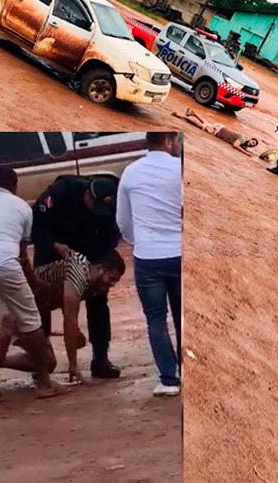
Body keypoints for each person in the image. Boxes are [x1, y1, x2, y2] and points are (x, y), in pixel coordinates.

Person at [0, 166, 64, 403]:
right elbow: (22, 255)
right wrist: (35, 282)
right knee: (32, 323)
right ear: (14, 184)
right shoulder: (21, 206)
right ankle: (44, 383)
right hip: (5, 265)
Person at [32, 175, 122, 378]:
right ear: (87, 194)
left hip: (89, 247)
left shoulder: (108, 209)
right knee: (41, 300)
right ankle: (41, 361)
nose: (95, 212)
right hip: (53, 246)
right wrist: (54, 244)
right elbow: (38, 221)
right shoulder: (62, 191)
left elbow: (110, 239)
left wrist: (101, 267)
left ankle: (100, 357)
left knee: (98, 299)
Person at [116, 132, 183, 397]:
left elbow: (123, 220)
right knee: (182, 315)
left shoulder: (130, 172)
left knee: (155, 319)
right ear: (168, 141)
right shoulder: (179, 169)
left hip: (147, 258)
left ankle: (168, 380)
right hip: (179, 252)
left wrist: (139, 241)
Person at [172, 108, 261, 156]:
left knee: (206, 123)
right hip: (218, 131)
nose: (251, 144)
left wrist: (252, 153)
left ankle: (193, 113)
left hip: (221, 128)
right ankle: (178, 115)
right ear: (250, 139)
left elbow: (243, 147)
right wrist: (246, 153)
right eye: (252, 142)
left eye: (253, 145)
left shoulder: (245, 143)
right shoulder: (242, 139)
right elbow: (235, 145)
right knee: (200, 125)